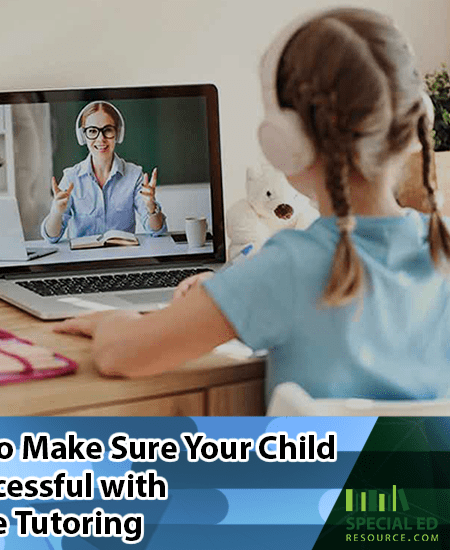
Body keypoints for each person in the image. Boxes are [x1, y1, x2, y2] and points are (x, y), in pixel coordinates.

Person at [52, 8, 450, 401]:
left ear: (287, 139)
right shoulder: (442, 247)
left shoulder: (286, 268)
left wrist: (111, 320)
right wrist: (230, 292)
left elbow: (122, 354)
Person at [41, 101, 167, 242]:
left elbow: (157, 230)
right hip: (84, 261)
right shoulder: (71, 177)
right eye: (93, 131)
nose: (101, 139)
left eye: (107, 130)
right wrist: (56, 212)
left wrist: (151, 207)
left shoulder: (134, 175)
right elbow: (52, 237)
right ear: (83, 136)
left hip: (123, 259)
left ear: (118, 133)